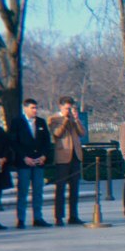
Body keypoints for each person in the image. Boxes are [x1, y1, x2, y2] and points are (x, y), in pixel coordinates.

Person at [8, 98, 53, 229]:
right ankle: (21, 219)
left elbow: (46, 141)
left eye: (36, 108)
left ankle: (38, 218)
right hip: (24, 163)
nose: (35, 110)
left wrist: (44, 155)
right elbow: (14, 142)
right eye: (32, 108)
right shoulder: (17, 122)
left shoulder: (41, 122)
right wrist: (24, 157)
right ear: (25, 108)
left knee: (38, 191)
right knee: (23, 191)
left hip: (39, 161)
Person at [48, 96, 86, 226]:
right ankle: (59, 216)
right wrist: (65, 119)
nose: (68, 110)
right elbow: (57, 134)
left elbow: (82, 133)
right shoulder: (54, 119)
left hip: (75, 156)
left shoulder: (73, 119)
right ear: (60, 107)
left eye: (70, 108)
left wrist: (76, 120)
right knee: (60, 188)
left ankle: (73, 215)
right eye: (66, 108)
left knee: (74, 188)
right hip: (62, 157)